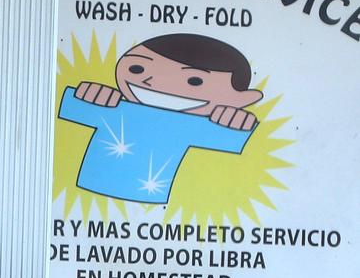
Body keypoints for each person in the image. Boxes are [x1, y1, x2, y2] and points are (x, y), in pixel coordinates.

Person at [59, 32, 263, 203]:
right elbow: (67, 107)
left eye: (194, 81)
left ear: (242, 99)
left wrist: (236, 122)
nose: (151, 80)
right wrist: (90, 95)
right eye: (137, 68)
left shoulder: (197, 125)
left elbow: (237, 140)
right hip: (89, 200)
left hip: (163, 209)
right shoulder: (114, 107)